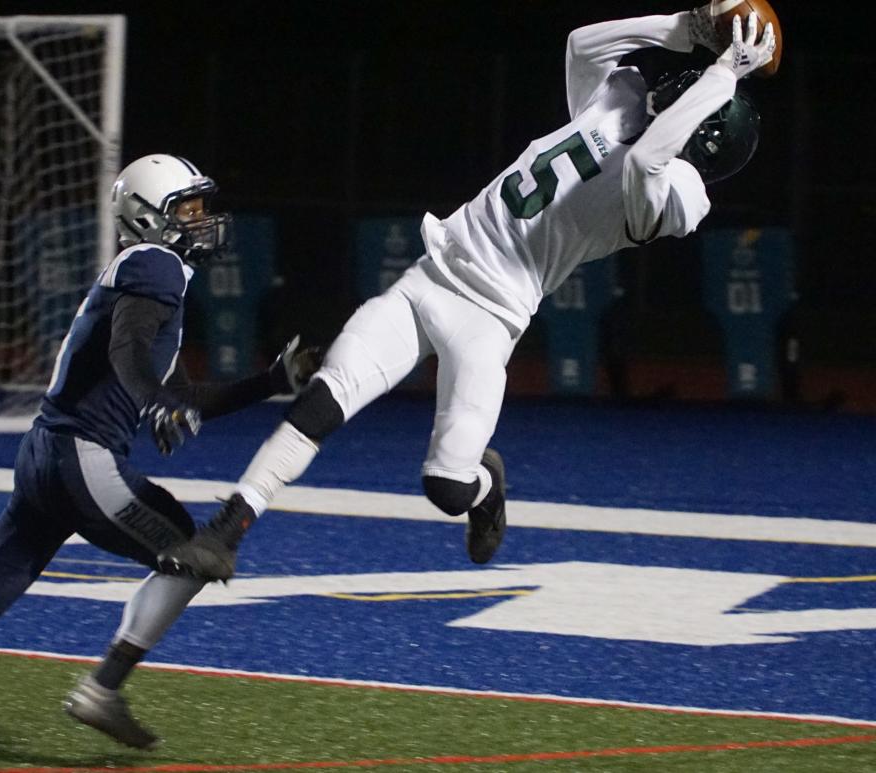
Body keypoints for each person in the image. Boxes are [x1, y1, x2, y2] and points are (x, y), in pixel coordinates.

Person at [156, 8, 776, 585]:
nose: (681, 84)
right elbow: (581, 43)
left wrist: (724, 74)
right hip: (430, 276)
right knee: (327, 396)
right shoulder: (617, 105)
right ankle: (226, 532)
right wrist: (684, 25)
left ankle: (487, 489)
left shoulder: (682, 196)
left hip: (490, 318)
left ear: (705, 129)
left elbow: (646, 162)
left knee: (447, 487)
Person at [0, 154, 320, 748]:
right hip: (82, 453)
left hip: (45, 453)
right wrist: (156, 402)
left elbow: (181, 393)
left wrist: (268, 382)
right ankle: (103, 688)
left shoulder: (150, 272)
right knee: (195, 552)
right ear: (147, 216)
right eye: (188, 208)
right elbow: (127, 350)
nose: (203, 219)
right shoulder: (154, 264)